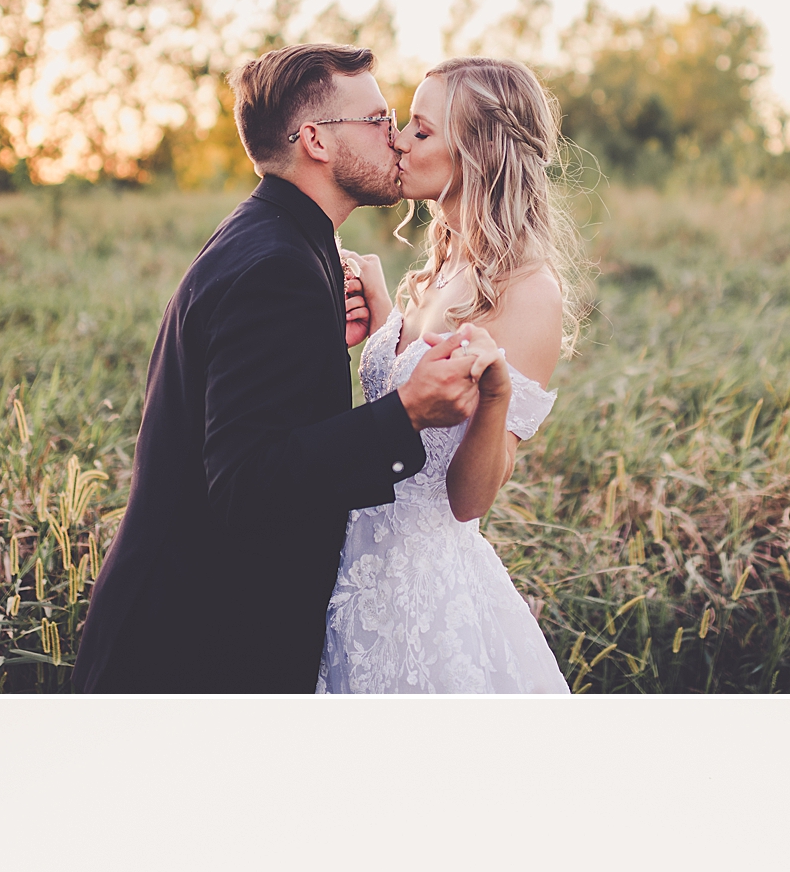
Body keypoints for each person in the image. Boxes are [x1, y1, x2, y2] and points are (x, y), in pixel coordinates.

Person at [73, 45, 485, 692]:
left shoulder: (277, 238)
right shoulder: (278, 267)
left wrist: (319, 351)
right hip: (190, 652)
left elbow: (261, 420)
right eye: (378, 121)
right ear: (317, 140)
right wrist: (405, 414)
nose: (397, 140)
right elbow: (247, 483)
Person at [317, 58, 585, 693]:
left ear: (477, 154)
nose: (398, 141)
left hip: (423, 593)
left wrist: (495, 399)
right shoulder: (443, 265)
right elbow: (409, 395)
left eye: (420, 129)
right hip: (352, 563)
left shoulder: (528, 293)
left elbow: (469, 501)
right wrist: (386, 320)